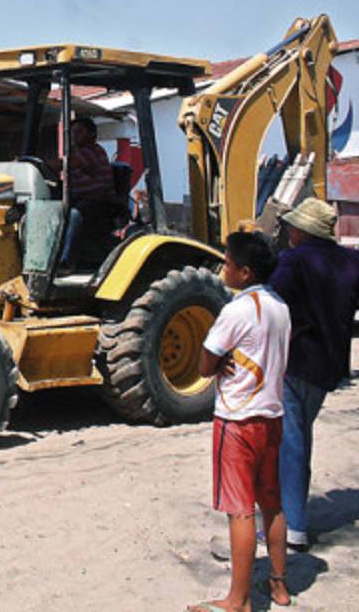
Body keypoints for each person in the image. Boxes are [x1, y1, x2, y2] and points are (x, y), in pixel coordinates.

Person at [188, 231, 291, 612]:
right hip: (272, 417)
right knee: (272, 503)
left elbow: (203, 364)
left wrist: (222, 359)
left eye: (228, 262)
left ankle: (238, 599)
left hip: (237, 421)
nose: (223, 268)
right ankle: (279, 586)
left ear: (245, 272)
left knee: (240, 510)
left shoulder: (236, 310)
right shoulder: (280, 305)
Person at [268, 197, 359, 552]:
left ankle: (292, 528)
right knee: (300, 436)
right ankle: (293, 517)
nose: (289, 230)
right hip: (328, 367)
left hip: (295, 362)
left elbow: (270, 302)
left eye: (292, 226)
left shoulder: (292, 261)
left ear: (300, 230)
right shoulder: (350, 262)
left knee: (290, 443)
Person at [58, 117, 115, 270]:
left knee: (75, 214)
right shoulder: (79, 154)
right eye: (72, 132)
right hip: (82, 199)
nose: (74, 135)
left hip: (100, 202)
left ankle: (66, 262)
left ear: (92, 135)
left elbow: (61, 163)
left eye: (79, 132)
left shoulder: (92, 151)